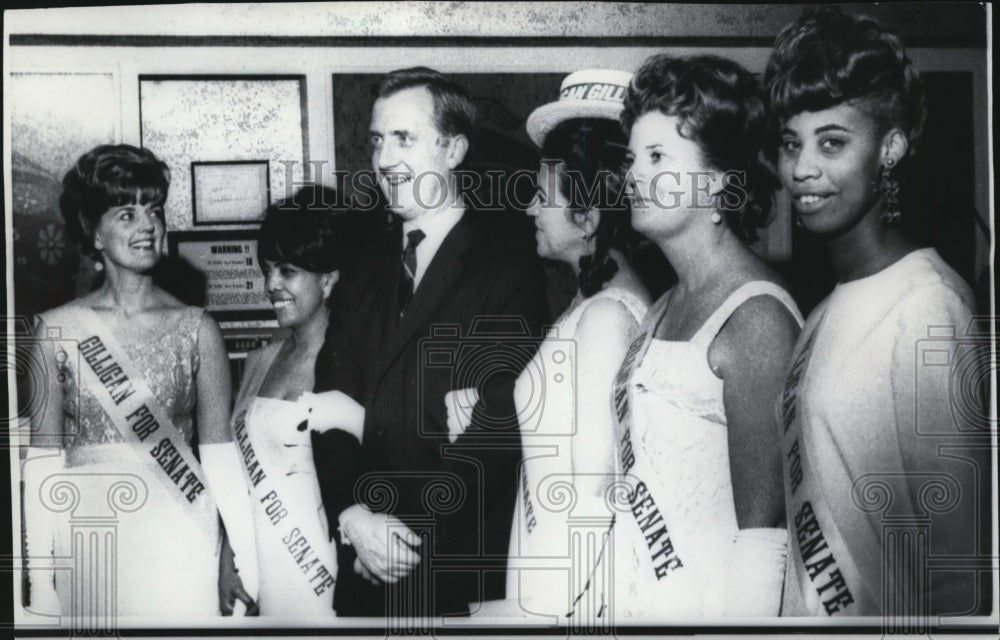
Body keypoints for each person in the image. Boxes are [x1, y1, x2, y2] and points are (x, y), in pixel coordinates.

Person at [765, 8, 983, 617]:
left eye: (832, 141)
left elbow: (960, 568)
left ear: (890, 147)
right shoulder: (821, 312)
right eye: (791, 143)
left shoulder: (929, 305)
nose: (802, 168)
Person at [311, 67, 550, 618]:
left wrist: (401, 540)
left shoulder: (509, 267)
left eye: (404, 138)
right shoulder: (364, 265)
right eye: (377, 141)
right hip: (363, 575)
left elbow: (497, 429)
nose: (384, 159)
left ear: (454, 149)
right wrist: (353, 517)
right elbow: (331, 402)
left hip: (451, 577)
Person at [22, 144, 256, 618]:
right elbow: (42, 463)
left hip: (181, 536)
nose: (147, 225)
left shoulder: (198, 328)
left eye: (153, 210)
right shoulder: (56, 330)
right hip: (88, 542)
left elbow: (221, 460)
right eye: (126, 214)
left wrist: (241, 558)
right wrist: (40, 580)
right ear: (94, 233)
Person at [610, 54, 804, 619]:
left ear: (718, 179)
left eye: (658, 158)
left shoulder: (758, 318)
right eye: (632, 158)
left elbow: (764, 541)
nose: (634, 176)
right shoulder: (663, 305)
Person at [498, 69, 650, 621]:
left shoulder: (608, 316)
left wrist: (541, 612)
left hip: (571, 598)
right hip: (553, 577)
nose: (531, 210)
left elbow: (592, 494)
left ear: (587, 216)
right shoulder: (590, 306)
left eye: (543, 196)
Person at [220, 188, 375, 618]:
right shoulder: (260, 359)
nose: (271, 285)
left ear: (329, 278)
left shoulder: (359, 363)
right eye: (267, 270)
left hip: (329, 574)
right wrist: (228, 557)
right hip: (263, 571)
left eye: (287, 271)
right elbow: (240, 476)